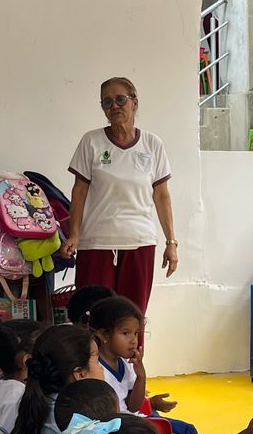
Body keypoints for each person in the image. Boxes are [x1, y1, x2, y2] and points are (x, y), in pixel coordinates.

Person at [62, 77, 178, 314]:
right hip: (96, 241)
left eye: (120, 99)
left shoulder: (152, 144)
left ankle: (133, 344)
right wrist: (74, 234)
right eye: (107, 102)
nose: (114, 106)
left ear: (134, 102)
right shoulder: (91, 141)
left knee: (131, 315)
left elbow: (162, 196)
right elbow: (79, 191)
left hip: (140, 241)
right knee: (92, 315)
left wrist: (171, 242)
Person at [87, 294, 199, 434]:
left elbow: (134, 407)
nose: (133, 340)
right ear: (104, 334)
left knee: (180, 427)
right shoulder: (96, 369)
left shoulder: (125, 363)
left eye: (136, 333)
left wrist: (141, 376)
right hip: (120, 429)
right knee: (184, 433)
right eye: (126, 333)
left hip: (133, 419)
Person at [7, 322, 101, 434]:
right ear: (80, 374)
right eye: (97, 361)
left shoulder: (44, 400)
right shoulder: (73, 418)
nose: (101, 368)